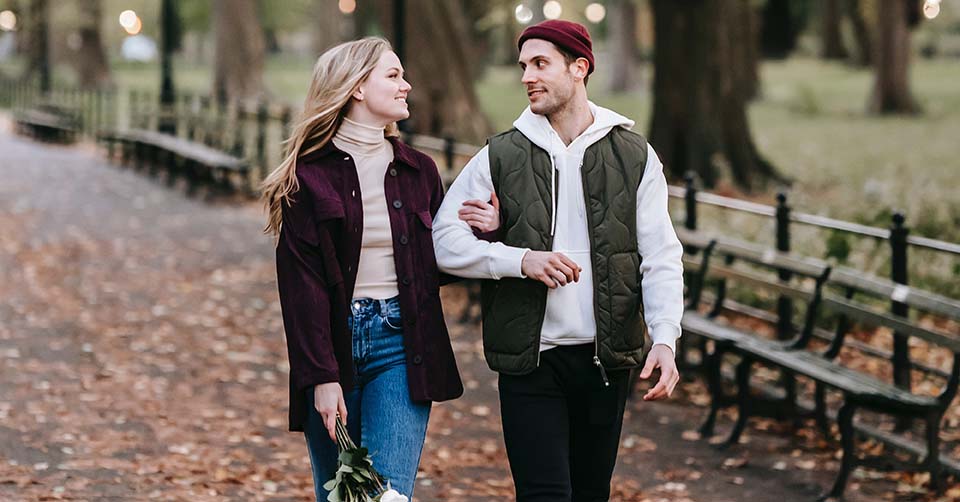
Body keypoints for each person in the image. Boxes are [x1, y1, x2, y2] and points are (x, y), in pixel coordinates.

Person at [435, 20, 685, 501]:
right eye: (523, 65)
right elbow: (443, 240)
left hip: (605, 360)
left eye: (541, 64)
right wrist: (519, 259)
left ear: (579, 68)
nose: (528, 75)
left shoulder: (634, 155)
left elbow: (660, 254)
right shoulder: (500, 155)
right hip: (531, 361)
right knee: (544, 495)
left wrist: (666, 336)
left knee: (591, 493)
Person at [262, 37, 491, 500]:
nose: (407, 85)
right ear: (357, 88)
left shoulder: (418, 170)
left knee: (387, 495)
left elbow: (436, 262)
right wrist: (321, 379)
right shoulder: (307, 177)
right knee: (343, 493)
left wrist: (484, 232)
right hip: (333, 346)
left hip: (402, 344)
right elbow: (301, 291)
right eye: (393, 75)